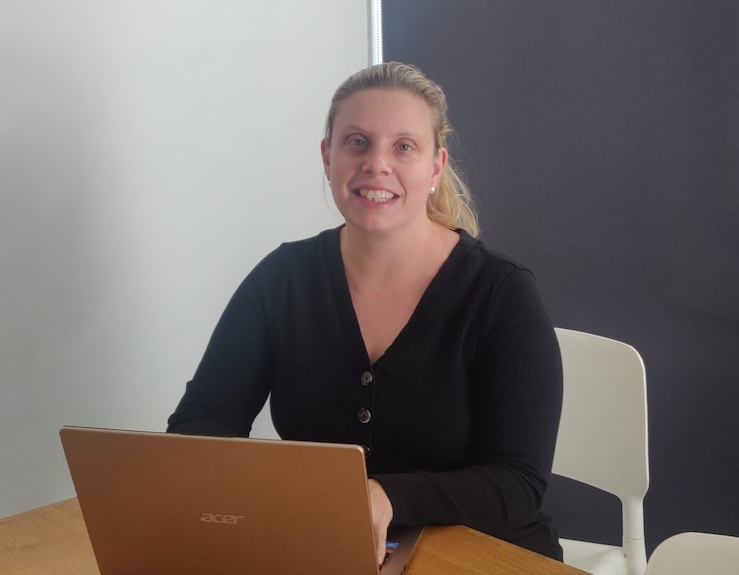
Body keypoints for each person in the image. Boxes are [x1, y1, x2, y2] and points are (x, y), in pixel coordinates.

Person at [167, 61, 564, 563]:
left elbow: (518, 483)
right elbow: (200, 427)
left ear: (435, 167)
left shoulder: (502, 294)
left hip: (485, 552)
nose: (377, 164)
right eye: (356, 141)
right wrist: (272, 498)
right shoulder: (281, 279)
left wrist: (386, 495)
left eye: (403, 146)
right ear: (327, 157)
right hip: (326, 547)